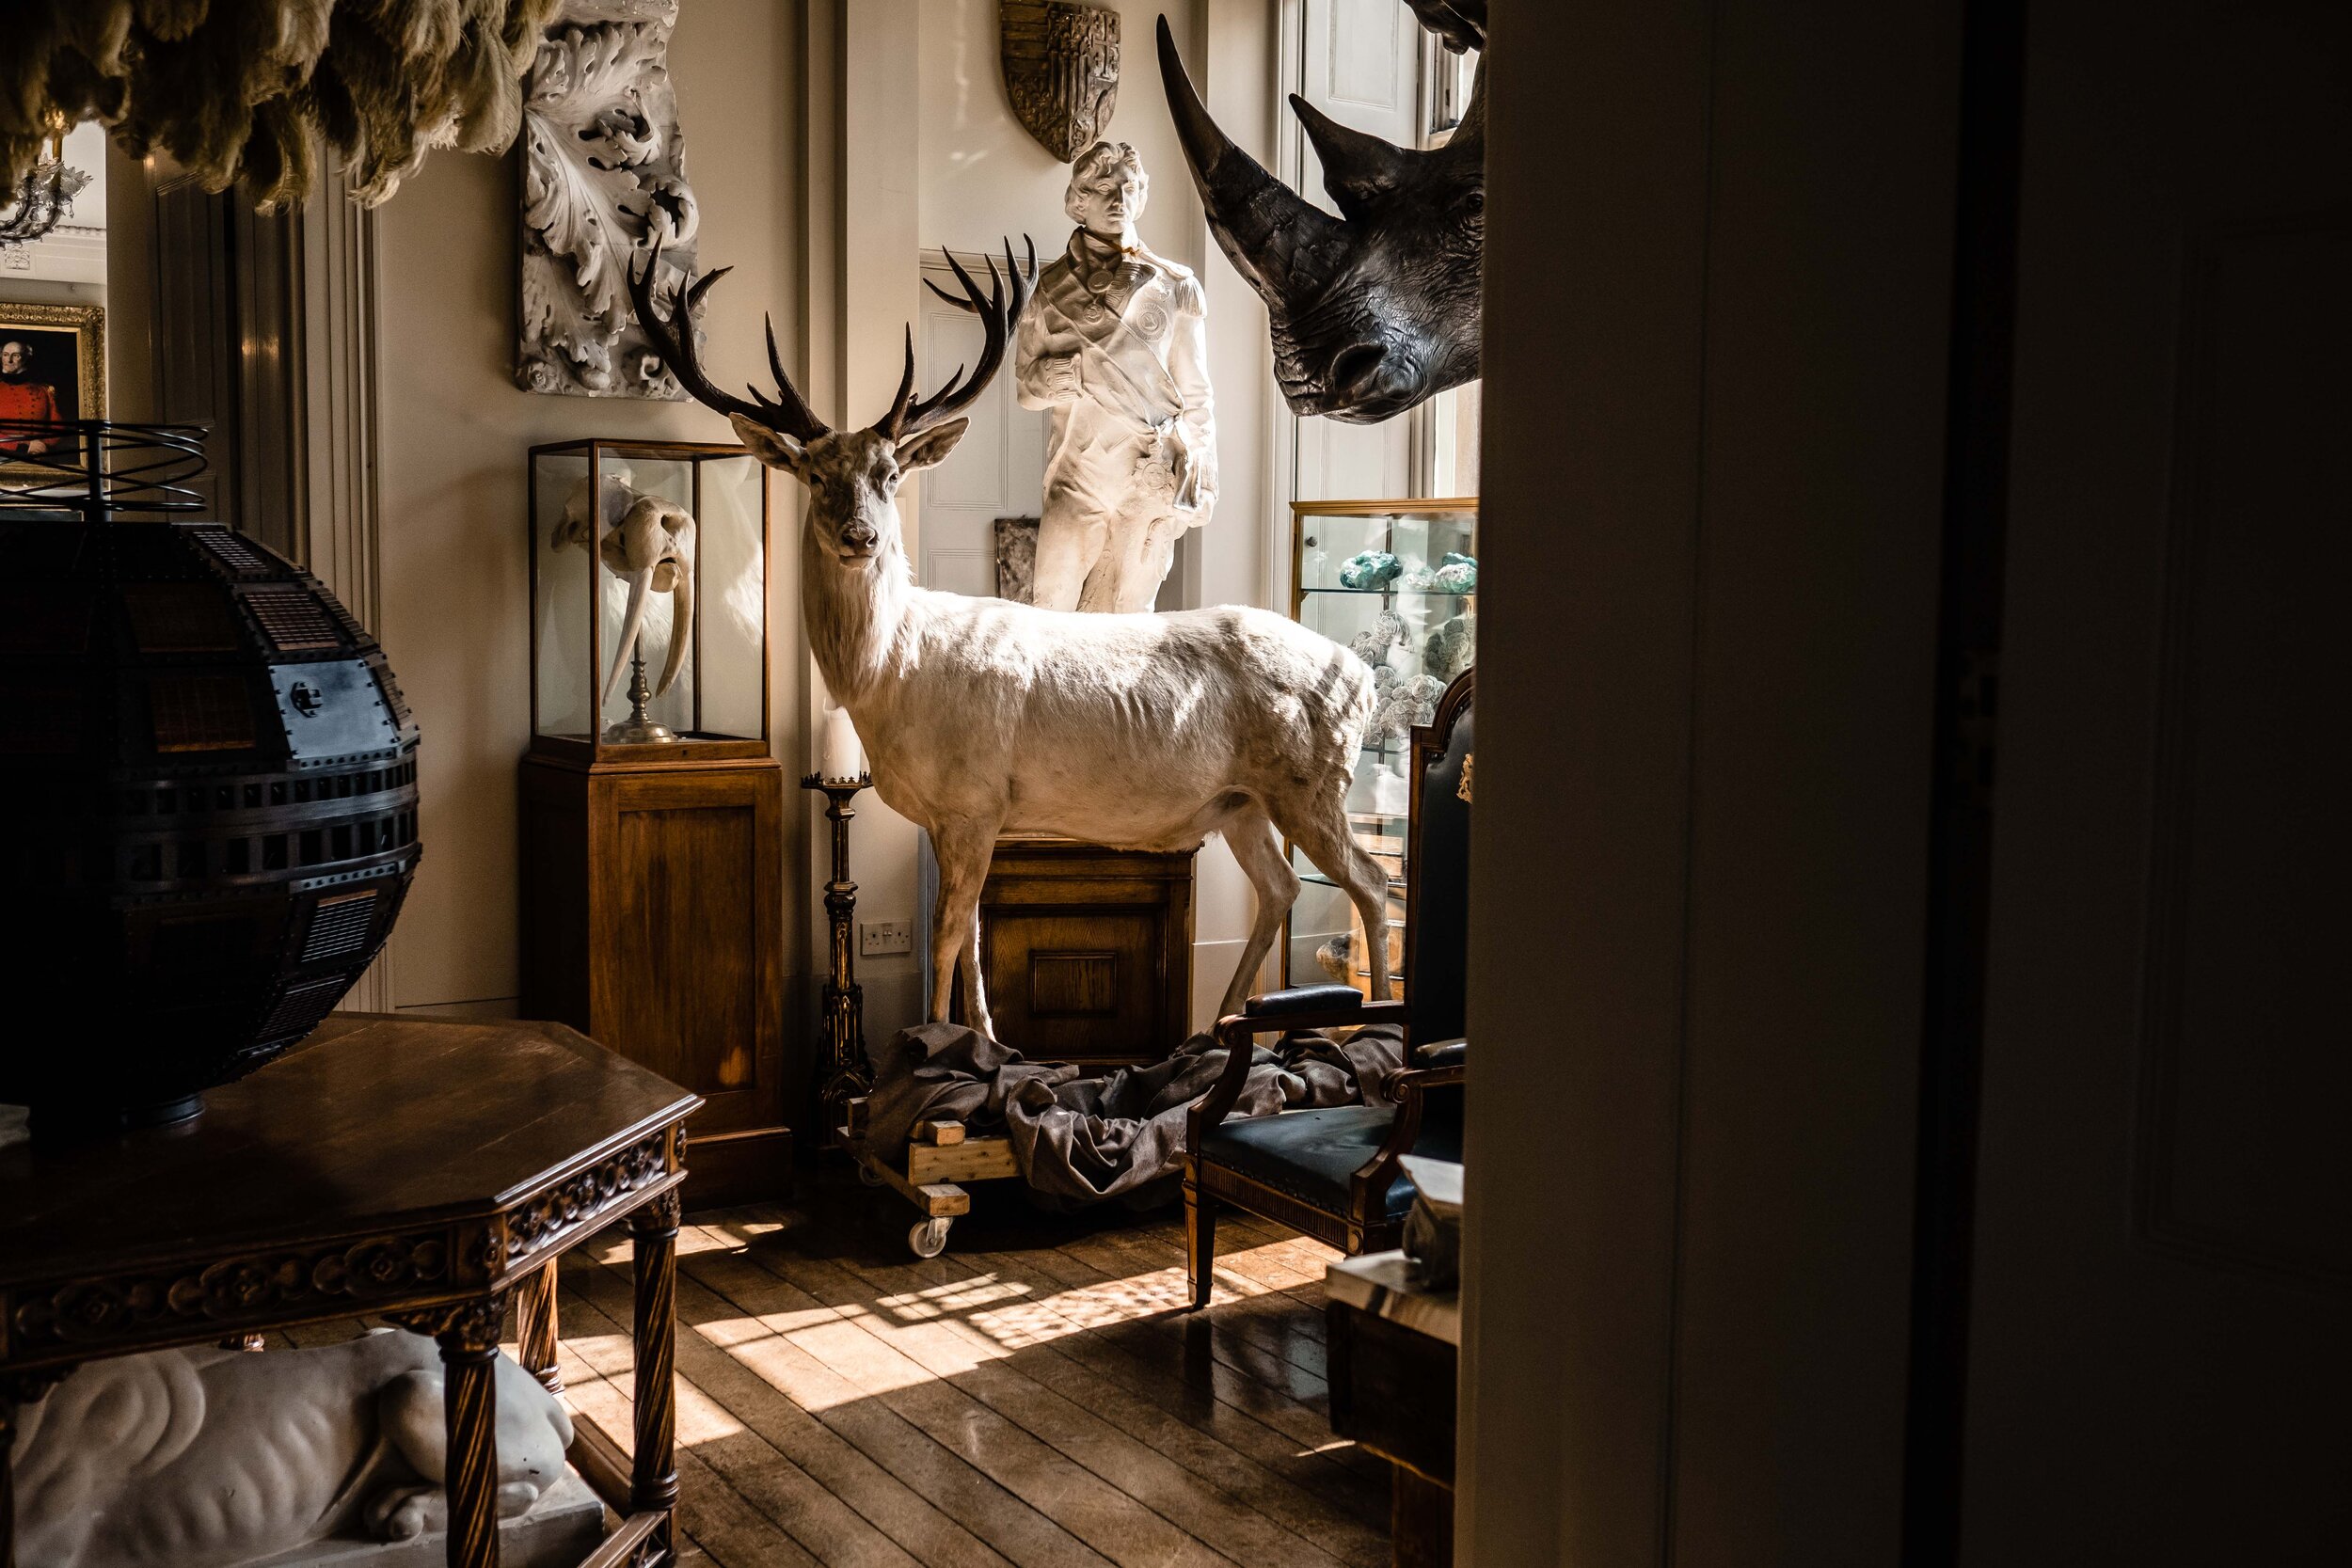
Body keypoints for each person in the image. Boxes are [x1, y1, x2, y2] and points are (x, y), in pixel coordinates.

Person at [1015, 141, 1218, 612]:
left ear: (1141, 195)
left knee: (1134, 612)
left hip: (1145, 469)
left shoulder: (1175, 284)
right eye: (1103, 188)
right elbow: (1026, 389)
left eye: (1128, 188)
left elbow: (1196, 391)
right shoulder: (1048, 287)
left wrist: (1203, 468)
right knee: (1051, 599)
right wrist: (1064, 375)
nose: (1117, 200)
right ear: (1079, 200)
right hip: (1077, 471)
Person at [0, 340, 65, 457]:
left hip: (38, 453)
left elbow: (57, 426)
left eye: (16, 356)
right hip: (4, 454)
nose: (9, 360)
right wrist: (21, 445)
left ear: (25, 358)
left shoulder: (44, 390)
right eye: (5, 355)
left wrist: (42, 444)